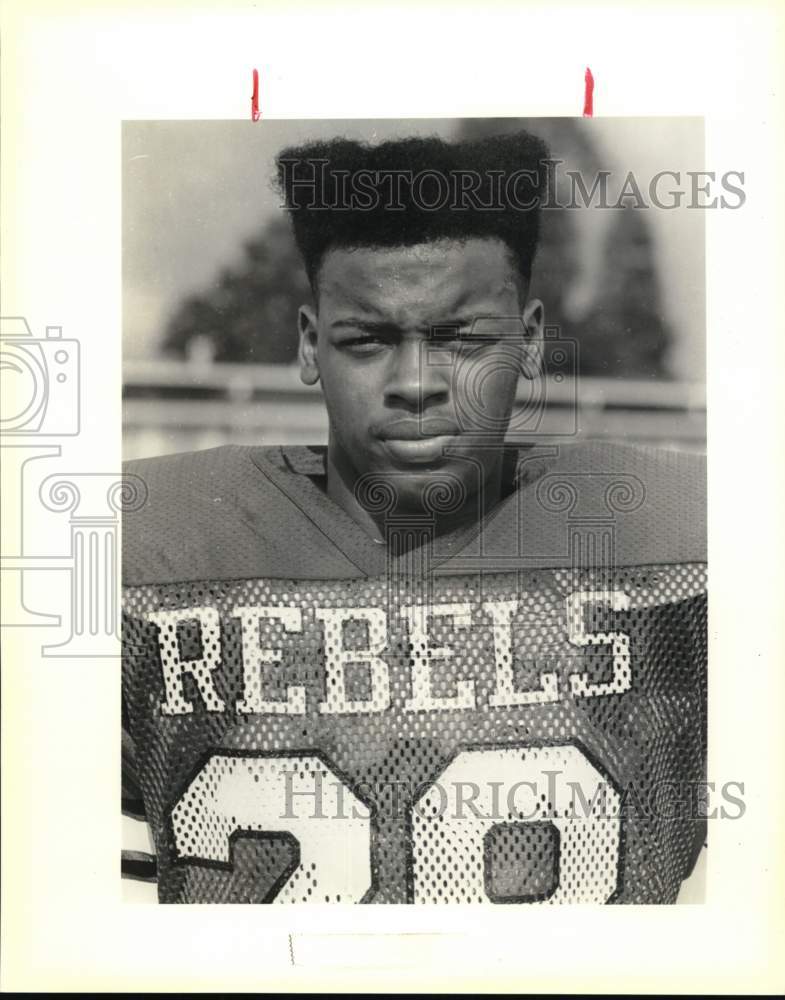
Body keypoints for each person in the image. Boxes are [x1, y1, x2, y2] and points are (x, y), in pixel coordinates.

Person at [121, 130, 707, 904]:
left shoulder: (685, 536)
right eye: (368, 341)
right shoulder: (148, 547)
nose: (416, 384)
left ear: (528, 340)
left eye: (461, 339)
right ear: (309, 345)